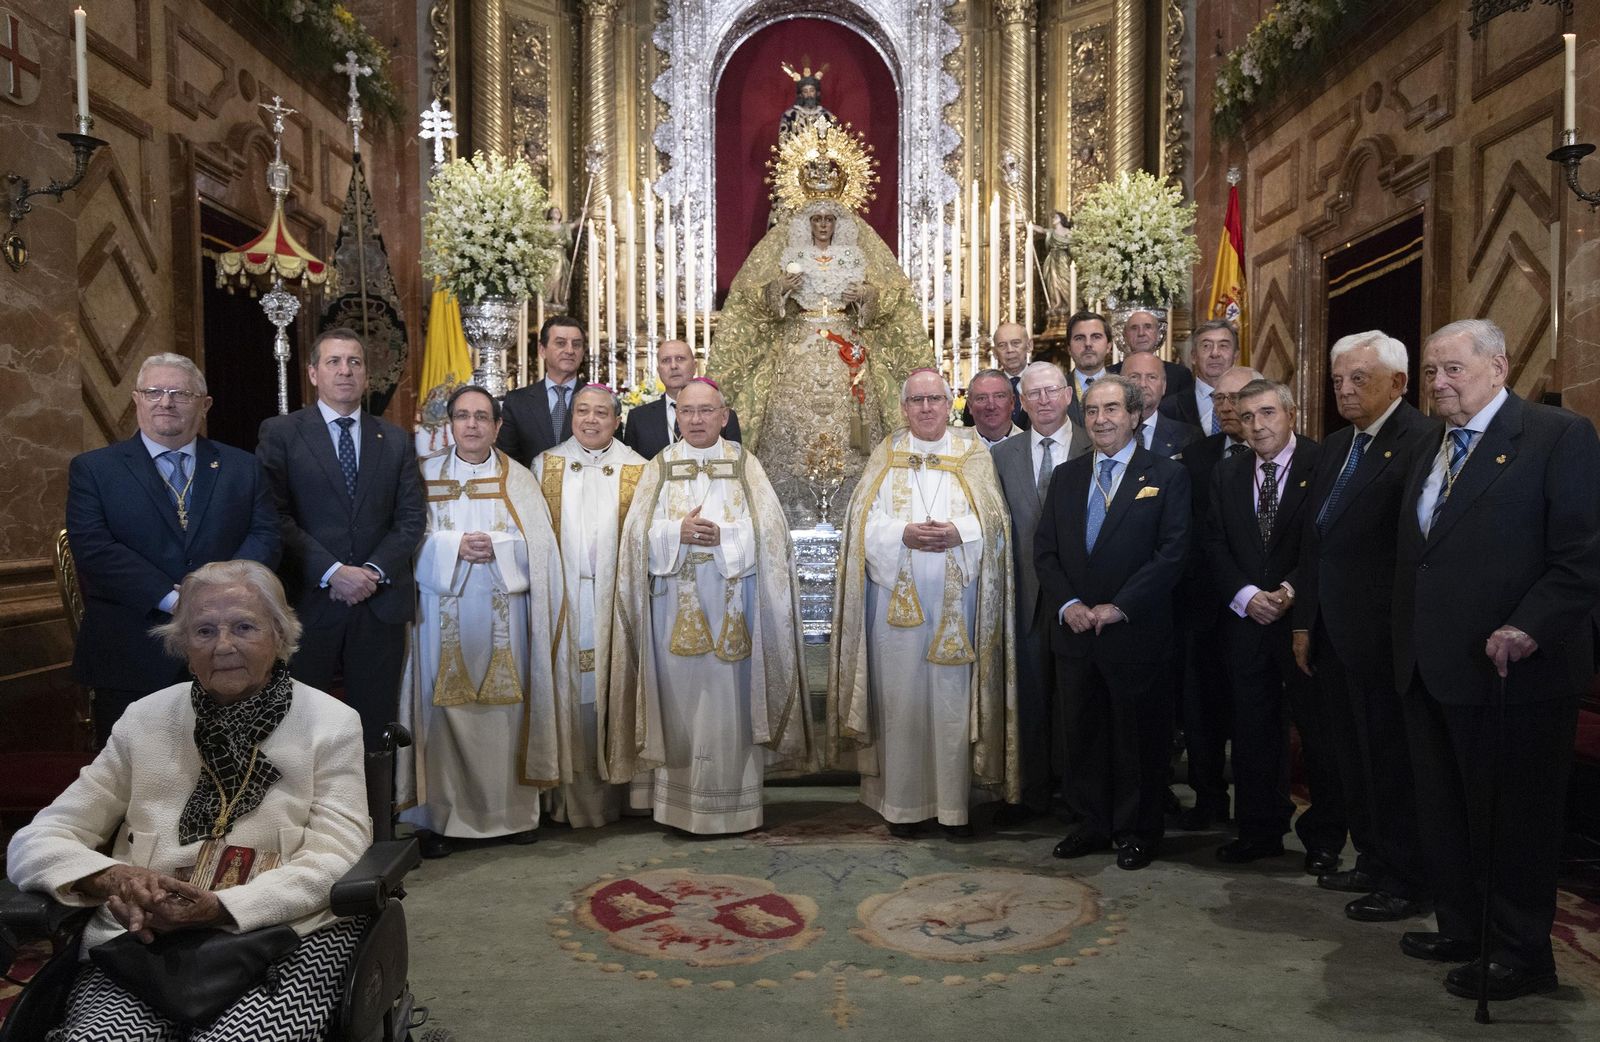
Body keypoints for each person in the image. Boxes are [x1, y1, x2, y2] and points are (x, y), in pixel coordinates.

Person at [7, 560, 371, 1040]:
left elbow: (337, 856)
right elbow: (39, 838)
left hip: (284, 933)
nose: (224, 645)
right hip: (144, 937)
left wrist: (222, 907)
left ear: (280, 635)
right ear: (181, 644)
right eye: (203, 630)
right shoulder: (144, 720)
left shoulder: (331, 723)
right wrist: (111, 877)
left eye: (244, 627)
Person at [1392, 319, 1600, 1001]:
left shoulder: (1555, 437)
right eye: (1431, 371)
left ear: (1498, 367)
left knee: (1514, 821)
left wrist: (1528, 627)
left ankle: (1520, 953)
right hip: (1433, 667)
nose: (1439, 383)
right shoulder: (1433, 445)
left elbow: (1581, 556)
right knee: (1448, 812)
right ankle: (1462, 927)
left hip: (1517, 673)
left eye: (1453, 369)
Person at [607, 379, 812, 834]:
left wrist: (727, 537)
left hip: (733, 608)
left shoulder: (744, 464)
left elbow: (772, 534)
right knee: (679, 703)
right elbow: (636, 537)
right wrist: (673, 533)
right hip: (671, 613)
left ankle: (734, 808)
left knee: (728, 703)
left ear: (724, 416)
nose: (696, 420)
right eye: (687, 412)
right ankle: (678, 808)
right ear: (676, 416)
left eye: (706, 411)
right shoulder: (660, 465)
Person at [828, 369, 1016, 837]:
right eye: (917, 400)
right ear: (904, 407)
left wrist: (960, 532)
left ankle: (954, 806)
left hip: (960, 605)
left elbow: (995, 521)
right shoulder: (886, 453)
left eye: (934, 398)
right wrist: (902, 534)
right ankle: (905, 807)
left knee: (952, 702)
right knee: (902, 700)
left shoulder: (971, 452)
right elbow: (861, 526)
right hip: (896, 609)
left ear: (950, 402)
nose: (927, 408)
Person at [1291, 331, 1437, 922]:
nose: (1345, 391)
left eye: (1359, 380)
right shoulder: (1335, 447)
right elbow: (1314, 543)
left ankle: (1406, 877)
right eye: (1337, 381)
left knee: (1391, 763)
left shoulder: (1423, 441)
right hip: (1330, 633)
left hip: (1385, 637)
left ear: (1399, 383)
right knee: (1351, 757)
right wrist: (1304, 622)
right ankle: (1372, 859)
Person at [398, 386, 574, 858]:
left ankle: (510, 816)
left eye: (482, 417)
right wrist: (451, 547)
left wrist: (495, 547)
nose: (472, 425)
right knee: (439, 710)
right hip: (437, 615)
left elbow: (539, 552)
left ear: (498, 427)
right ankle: (436, 820)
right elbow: (405, 539)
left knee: (504, 711)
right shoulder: (421, 475)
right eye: (462, 416)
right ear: (449, 425)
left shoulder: (518, 479)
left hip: (506, 617)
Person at [66, 353, 280, 742]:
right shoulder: (95, 470)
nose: (165, 402)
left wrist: (218, 598)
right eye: (154, 391)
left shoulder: (242, 467)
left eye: (180, 393)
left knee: (238, 775)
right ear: (137, 399)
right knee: (137, 782)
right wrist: (174, 600)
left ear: (204, 404)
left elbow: (265, 534)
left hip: (232, 649)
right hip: (132, 649)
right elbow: (95, 548)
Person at [1036, 376, 1191, 870]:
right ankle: (1091, 824)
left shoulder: (1166, 475)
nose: (1101, 419)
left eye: (1112, 410)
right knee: (1081, 736)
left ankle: (1137, 831)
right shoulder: (1066, 476)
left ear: (1135, 415)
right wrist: (1069, 605)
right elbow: (1046, 553)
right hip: (1076, 633)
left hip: (1136, 633)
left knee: (1138, 740)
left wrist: (1119, 606)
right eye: (1093, 410)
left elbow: (1172, 554)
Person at [712, 197, 933, 523]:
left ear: (838, 223)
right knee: (792, 419)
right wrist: (781, 288)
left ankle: (856, 513)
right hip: (799, 343)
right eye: (817, 219)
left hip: (848, 349)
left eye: (830, 219)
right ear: (808, 223)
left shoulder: (857, 253)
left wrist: (864, 297)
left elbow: (890, 298)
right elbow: (754, 299)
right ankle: (789, 513)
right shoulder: (787, 252)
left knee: (854, 420)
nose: (824, 225)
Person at [256, 328, 425, 752]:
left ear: (367, 376)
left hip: (379, 604)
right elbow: (273, 515)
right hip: (310, 603)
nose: (345, 371)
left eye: (355, 362)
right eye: (333, 362)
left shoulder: (397, 439)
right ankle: (307, 816)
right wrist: (333, 572)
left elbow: (410, 519)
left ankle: (373, 817)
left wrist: (370, 571)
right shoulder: (282, 433)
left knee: (375, 729)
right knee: (301, 727)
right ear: (313, 373)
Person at [1205, 380, 1344, 872]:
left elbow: (1329, 543)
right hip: (1246, 624)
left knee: (1320, 736)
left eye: (1267, 413)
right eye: (1246, 417)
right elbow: (1214, 544)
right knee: (1251, 734)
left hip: (1305, 623)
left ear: (1290, 412)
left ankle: (1324, 839)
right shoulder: (1226, 473)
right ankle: (1259, 830)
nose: (1257, 425)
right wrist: (1246, 596)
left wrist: (1288, 592)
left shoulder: (1325, 462)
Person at [534, 385, 651, 826]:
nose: (590, 419)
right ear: (571, 416)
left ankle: (620, 797)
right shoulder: (546, 464)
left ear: (616, 420)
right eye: (582, 411)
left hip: (618, 603)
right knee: (572, 695)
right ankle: (568, 801)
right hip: (563, 600)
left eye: (601, 413)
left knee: (613, 690)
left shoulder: (638, 470)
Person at [989, 361, 1090, 820]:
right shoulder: (1002, 455)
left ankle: (1078, 794)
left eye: (1052, 391)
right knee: (1028, 700)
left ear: (1069, 395)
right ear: (1021, 403)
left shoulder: (1097, 443)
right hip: (1025, 597)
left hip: (1084, 598)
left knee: (1078, 702)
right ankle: (1030, 794)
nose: (1044, 400)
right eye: (1034, 394)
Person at [1173, 365, 1260, 830]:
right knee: (1201, 712)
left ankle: (1258, 811)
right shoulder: (1197, 457)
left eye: (1238, 398)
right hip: (1204, 607)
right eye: (1220, 399)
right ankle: (1208, 799)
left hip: (1263, 609)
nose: (1228, 407)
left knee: (1255, 715)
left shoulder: (1293, 455)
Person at [622, 339, 742, 459]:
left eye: (680, 358)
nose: (673, 366)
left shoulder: (722, 415)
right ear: (659, 371)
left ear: (695, 366)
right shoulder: (638, 417)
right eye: (666, 360)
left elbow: (734, 462)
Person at [497, 316, 587, 468]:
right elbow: (507, 461)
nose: (570, 350)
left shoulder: (599, 400)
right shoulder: (517, 402)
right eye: (560, 343)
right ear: (542, 350)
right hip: (531, 488)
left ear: (583, 352)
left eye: (576, 345)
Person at [1121, 351, 1202, 458]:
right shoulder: (1104, 430)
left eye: (1151, 377)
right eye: (1134, 377)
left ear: (1164, 386)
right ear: (1120, 384)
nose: (1143, 384)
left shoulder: (1189, 437)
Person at [1162, 320, 1238, 433]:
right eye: (1206, 346)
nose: (1215, 353)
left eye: (1223, 346)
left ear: (1235, 356)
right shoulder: (1169, 407)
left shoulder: (1252, 401)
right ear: (1193, 356)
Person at [1110, 309, 1193, 402]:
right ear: (1125, 335)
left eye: (1148, 327)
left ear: (1158, 334)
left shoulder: (1180, 375)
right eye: (1134, 328)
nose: (1141, 333)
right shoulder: (1109, 374)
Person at [1063, 311, 1113, 427]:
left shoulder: (1125, 390)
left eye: (1096, 337)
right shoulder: (1055, 392)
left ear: (1108, 347)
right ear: (1069, 349)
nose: (1088, 344)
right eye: (1079, 338)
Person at [778, 63, 837, 140]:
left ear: (817, 93)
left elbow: (834, 140)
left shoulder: (827, 116)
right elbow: (783, 140)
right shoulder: (790, 115)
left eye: (812, 90)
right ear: (801, 94)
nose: (809, 94)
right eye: (805, 91)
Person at [966, 369, 1023, 447]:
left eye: (999, 396)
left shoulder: (1029, 445)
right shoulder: (955, 447)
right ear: (970, 406)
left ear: (1012, 402)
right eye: (982, 398)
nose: (991, 407)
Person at [1037, 212, 1073, 319]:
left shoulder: (1068, 232)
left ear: (1062, 219)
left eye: (1056, 217)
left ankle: (1067, 303)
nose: (1053, 219)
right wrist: (1030, 225)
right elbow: (1042, 230)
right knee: (1053, 281)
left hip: (1062, 258)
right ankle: (1057, 302)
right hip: (1052, 258)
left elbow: (1074, 243)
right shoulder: (1051, 232)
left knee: (1064, 279)